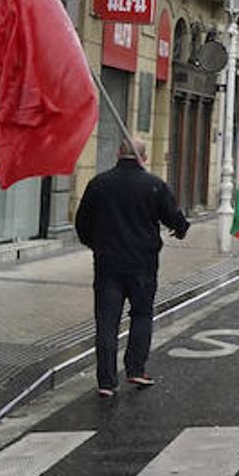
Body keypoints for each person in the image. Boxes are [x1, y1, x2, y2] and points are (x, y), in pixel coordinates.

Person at [75, 135, 189, 398]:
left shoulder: (98, 184)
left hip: (108, 264)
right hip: (143, 264)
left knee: (107, 321)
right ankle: (136, 368)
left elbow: (82, 224)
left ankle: (106, 381)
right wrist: (181, 229)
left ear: (118, 154)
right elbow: (175, 218)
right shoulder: (154, 185)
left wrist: (97, 245)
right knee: (141, 315)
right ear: (144, 157)